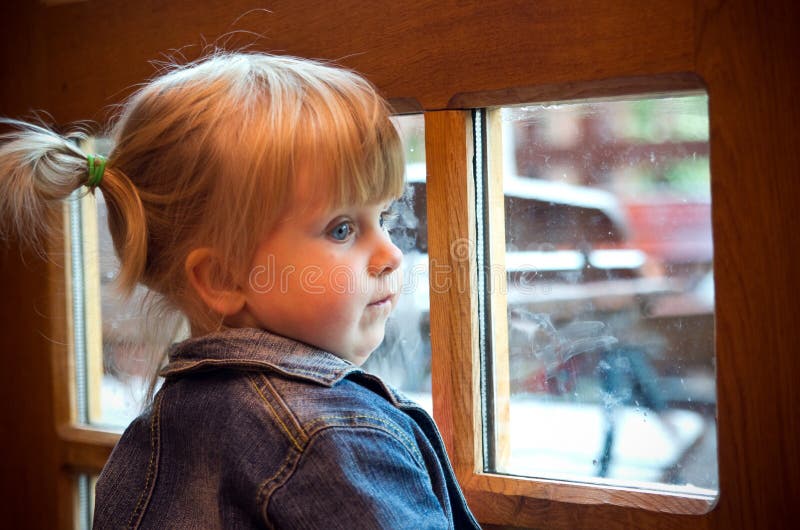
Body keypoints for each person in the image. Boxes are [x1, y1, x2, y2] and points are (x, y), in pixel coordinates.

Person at [0, 52, 480, 529]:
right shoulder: (332, 439)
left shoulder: (153, 436)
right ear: (223, 279)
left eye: (385, 217)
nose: (392, 255)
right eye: (341, 229)